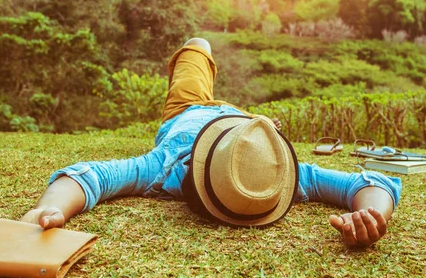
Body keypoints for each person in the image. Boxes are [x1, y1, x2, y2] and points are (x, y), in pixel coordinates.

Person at [21, 38, 402, 248]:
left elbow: (89, 177)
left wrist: (52, 207)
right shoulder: (289, 176)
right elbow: (371, 184)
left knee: (195, 46)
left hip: (186, 110)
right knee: (199, 40)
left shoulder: (166, 169)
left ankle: (198, 49)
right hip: (241, 126)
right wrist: (375, 212)